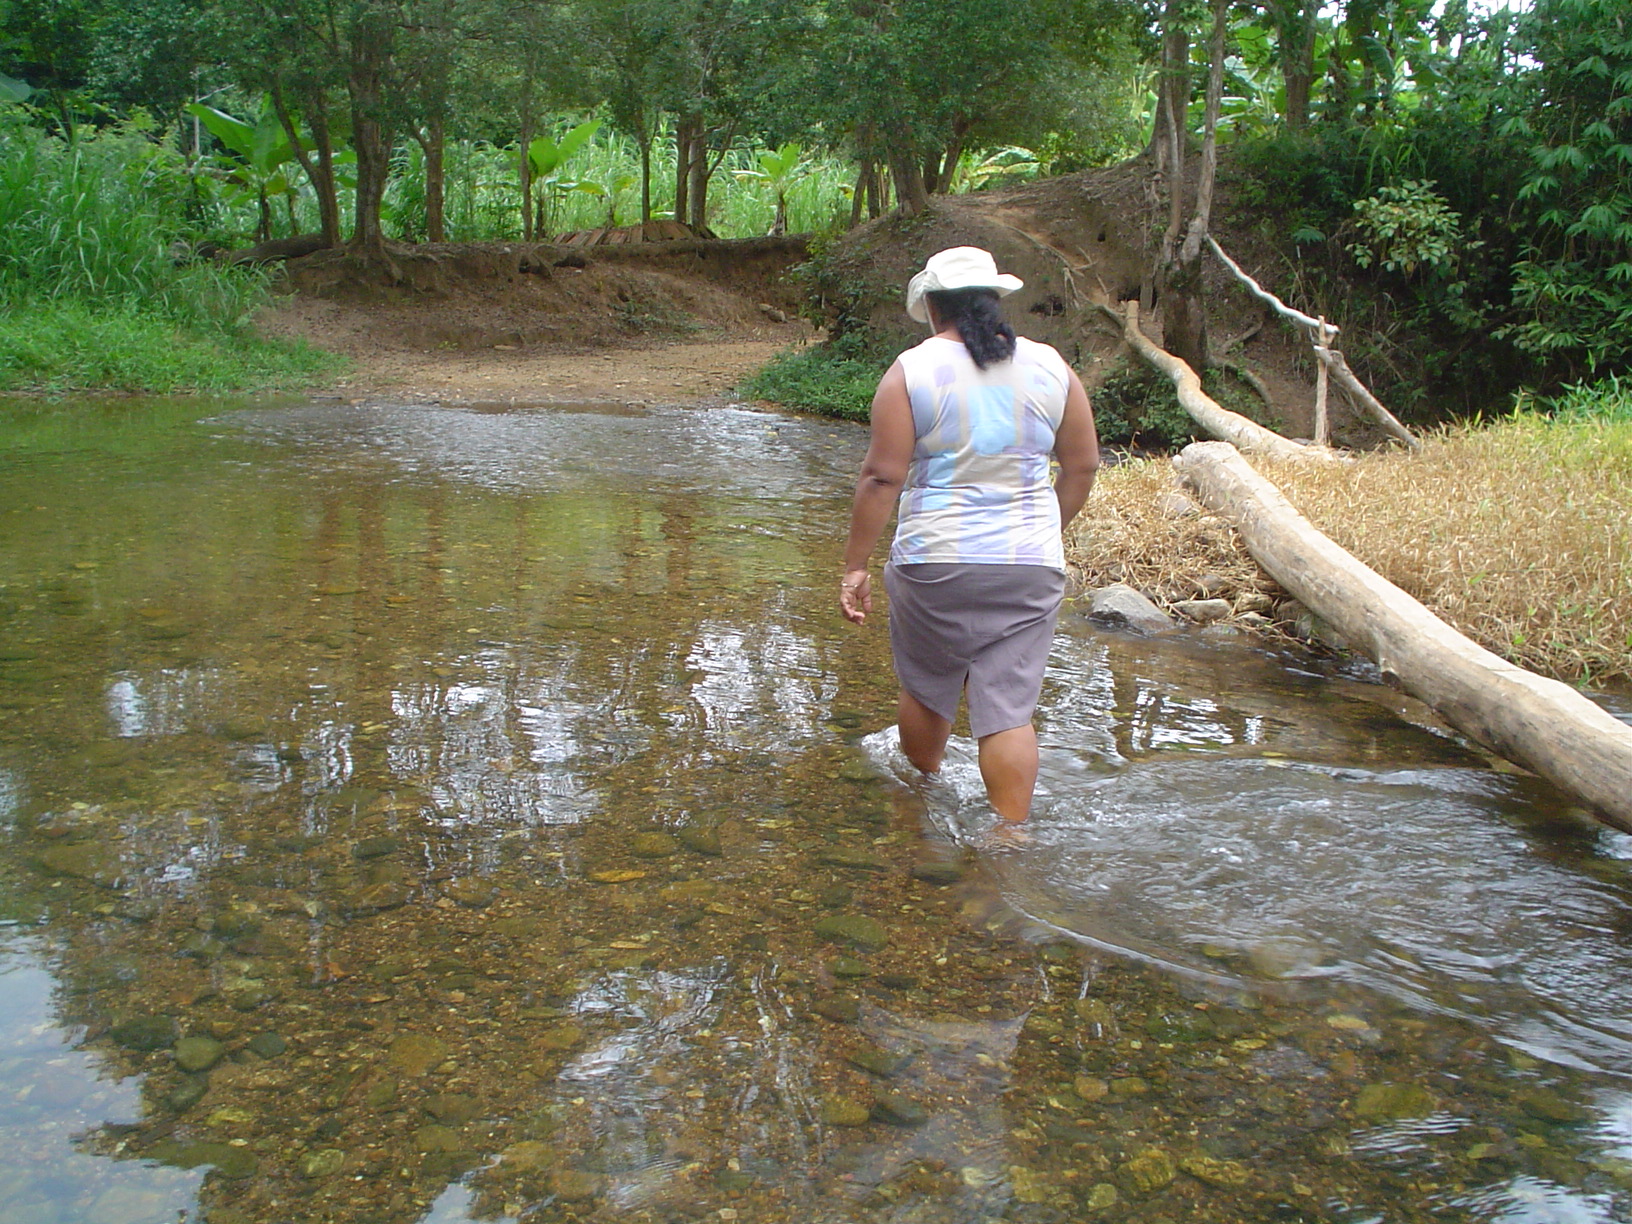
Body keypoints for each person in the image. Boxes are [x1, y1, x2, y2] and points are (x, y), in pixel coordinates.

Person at [839, 246, 1100, 826]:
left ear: (932, 306)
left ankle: (924, 797)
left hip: (932, 561)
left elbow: (883, 477)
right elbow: (1081, 467)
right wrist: (1036, 536)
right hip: (1028, 563)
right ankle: (1010, 835)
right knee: (1008, 710)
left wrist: (855, 567)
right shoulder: (1053, 368)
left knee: (928, 686)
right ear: (994, 300)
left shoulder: (911, 371)